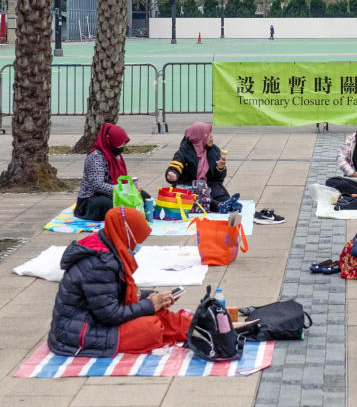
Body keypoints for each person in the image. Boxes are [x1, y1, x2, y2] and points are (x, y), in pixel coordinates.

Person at [48, 206, 192, 356]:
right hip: (79, 333)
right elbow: (110, 315)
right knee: (152, 327)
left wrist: (153, 298)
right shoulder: (99, 264)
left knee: (160, 313)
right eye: (137, 238)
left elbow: (115, 295)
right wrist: (149, 305)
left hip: (97, 319)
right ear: (126, 233)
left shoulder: (108, 247)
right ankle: (188, 329)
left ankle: (196, 329)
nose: (138, 245)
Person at [75, 123, 148, 221]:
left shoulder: (114, 155)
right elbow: (97, 185)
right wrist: (121, 191)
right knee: (109, 205)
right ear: (110, 142)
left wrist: (131, 188)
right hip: (91, 200)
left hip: (113, 194)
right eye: (120, 144)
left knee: (143, 196)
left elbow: (120, 178)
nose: (122, 147)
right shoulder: (96, 157)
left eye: (124, 144)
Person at [165, 122, 230, 211]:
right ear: (198, 138)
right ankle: (219, 206)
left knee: (221, 194)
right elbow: (175, 166)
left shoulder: (214, 151)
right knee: (201, 197)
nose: (211, 137)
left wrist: (221, 168)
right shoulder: (184, 152)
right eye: (207, 135)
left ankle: (225, 203)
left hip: (208, 185)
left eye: (211, 134)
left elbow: (218, 178)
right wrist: (173, 174)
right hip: (188, 186)